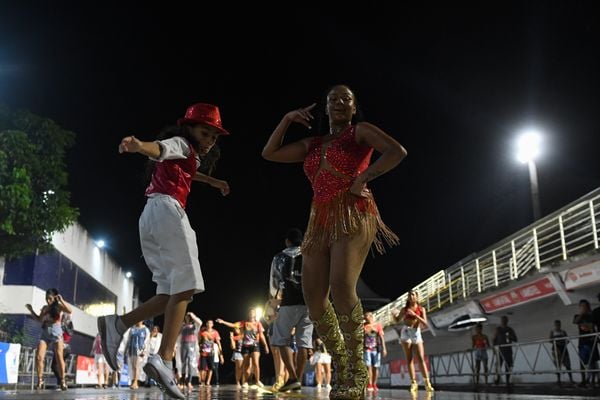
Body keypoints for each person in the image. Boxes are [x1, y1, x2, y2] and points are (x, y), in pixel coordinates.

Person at [262, 84, 406, 399]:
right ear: (325, 108)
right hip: (319, 219)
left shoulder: (360, 131)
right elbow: (269, 153)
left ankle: (356, 369)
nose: (339, 103)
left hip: (353, 211)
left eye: (346, 99)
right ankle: (342, 362)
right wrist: (287, 119)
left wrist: (363, 179)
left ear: (354, 108)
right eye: (333, 99)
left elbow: (396, 152)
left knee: (342, 287)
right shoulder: (313, 143)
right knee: (314, 300)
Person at [97, 102, 230, 400]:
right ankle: (163, 360)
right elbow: (160, 149)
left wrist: (213, 180)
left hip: (152, 215)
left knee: (169, 294)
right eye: (205, 132)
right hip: (168, 211)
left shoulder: (190, 156)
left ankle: (117, 324)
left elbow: (190, 172)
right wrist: (138, 145)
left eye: (214, 136)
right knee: (188, 284)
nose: (209, 139)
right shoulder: (181, 143)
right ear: (189, 129)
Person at [268, 228, 313, 392]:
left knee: (280, 339)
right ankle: (298, 380)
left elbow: (274, 283)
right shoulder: (310, 255)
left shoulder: (279, 257)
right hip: (308, 303)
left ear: (288, 241)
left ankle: (293, 377)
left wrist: (272, 304)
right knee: (304, 342)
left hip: (288, 302)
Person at [25, 288, 72, 391]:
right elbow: (39, 319)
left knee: (59, 356)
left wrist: (61, 300)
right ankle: (40, 380)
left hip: (56, 332)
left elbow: (70, 310)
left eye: (50, 299)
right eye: (47, 299)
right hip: (45, 332)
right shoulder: (45, 308)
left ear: (54, 298)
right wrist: (31, 310)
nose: (48, 301)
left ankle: (62, 380)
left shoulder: (59, 307)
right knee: (39, 357)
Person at [392, 290, 434, 393]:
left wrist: (415, 315)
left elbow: (425, 323)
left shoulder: (421, 309)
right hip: (406, 331)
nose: (411, 296)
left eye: (413, 294)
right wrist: (393, 315)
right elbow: (397, 320)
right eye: (409, 295)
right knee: (409, 359)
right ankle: (413, 383)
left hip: (416, 332)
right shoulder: (405, 309)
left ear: (417, 297)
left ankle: (427, 383)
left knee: (420, 358)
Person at [217, 309, 270, 388]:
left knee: (256, 363)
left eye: (252, 312)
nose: (251, 314)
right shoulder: (243, 323)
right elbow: (233, 325)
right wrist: (223, 322)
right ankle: (245, 382)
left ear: (255, 314)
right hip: (245, 346)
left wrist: (265, 345)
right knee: (246, 364)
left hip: (255, 345)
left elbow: (261, 335)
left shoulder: (258, 323)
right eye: (249, 312)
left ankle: (257, 380)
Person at [573, 299, 598, 386]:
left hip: (591, 341)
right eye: (582, 306)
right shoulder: (577, 316)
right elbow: (575, 322)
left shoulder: (592, 316)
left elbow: (595, 326)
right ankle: (583, 380)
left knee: (593, 361)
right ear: (580, 307)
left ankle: (593, 381)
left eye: (586, 306)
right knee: (582, 361)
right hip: (582, 342)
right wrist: (581, 314)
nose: (584, 308)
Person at [363, 311, 387, 392]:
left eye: (367, 317)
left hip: (376, 349)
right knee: (368, 366)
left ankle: (374, 384)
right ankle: (369, 384)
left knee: (375, 367)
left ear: (371, 317)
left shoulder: (378, 325)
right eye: (365, 318)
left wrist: (384, 348)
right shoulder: (363, 326)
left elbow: (381, 337)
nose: (366, 319)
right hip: (367, 349)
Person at [179, 312, 202, 392]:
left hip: (192, 346)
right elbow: (177, 334)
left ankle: (189, 381)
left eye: (189, 317)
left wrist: (193, 315)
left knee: (190, 364)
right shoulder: (182, 325)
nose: (187, 318)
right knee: (183, 363)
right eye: (186, 317)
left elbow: (200, 322)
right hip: (183, 345)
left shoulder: (195, 326)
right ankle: (182, 382)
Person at [493, 315, 517, 385]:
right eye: (502, 320)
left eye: (505, 321)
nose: (503, 322)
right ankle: (496, 380)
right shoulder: (498, 329)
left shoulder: (510, 329)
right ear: (501, 321)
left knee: (508, 365)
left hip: (508, 350)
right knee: (498, 365)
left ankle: (508, 380)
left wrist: (510, 337)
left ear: (507, 321)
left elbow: (515, 339)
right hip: (499, 350)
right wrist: (494, 349)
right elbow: (494, 339)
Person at [125, 321, 150, 390]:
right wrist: (125, 350)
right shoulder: (132, 329)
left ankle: (135, 382)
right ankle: (133, 381)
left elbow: (147, 341)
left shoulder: (146, 329)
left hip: (140, 350)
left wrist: (144, 351)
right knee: (133, 367)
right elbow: (128, 339)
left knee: (137, 366)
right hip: (131, 349)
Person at [52, 311, 73, 389]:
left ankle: (62, 381)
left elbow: (67, 336)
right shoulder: (63, 325)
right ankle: (62, 380)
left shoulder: (64, 325)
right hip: (65, 347)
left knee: (56, 364)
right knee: (56, 365)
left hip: (64, 347)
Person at [549, 320, 574, 385]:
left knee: (568, 364)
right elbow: (550, 340)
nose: (558, 326)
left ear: (560, 325)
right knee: (558, 365)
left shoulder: (563, 332)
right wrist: (556, 343)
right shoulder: (552, 332)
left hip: (564, 349)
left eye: (559, 325)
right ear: (555, 325)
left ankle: (571, 379)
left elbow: (567, 340)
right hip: (556, 349)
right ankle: (558, 380)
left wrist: (564, 343)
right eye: (557, 325)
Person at [198, 320, 222, 386]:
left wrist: (221, 354)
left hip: (211, 353)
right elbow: (198, 340)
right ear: (206, 324)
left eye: (211, 323)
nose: (209, 324)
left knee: (210, 368)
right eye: (208, 323)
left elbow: (218, 342)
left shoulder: (215, 332)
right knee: (202, 368)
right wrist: (198, 347)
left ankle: (208, 382)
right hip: (203, 352)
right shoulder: (202, 331)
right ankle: (202, 381)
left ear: (212, 325)